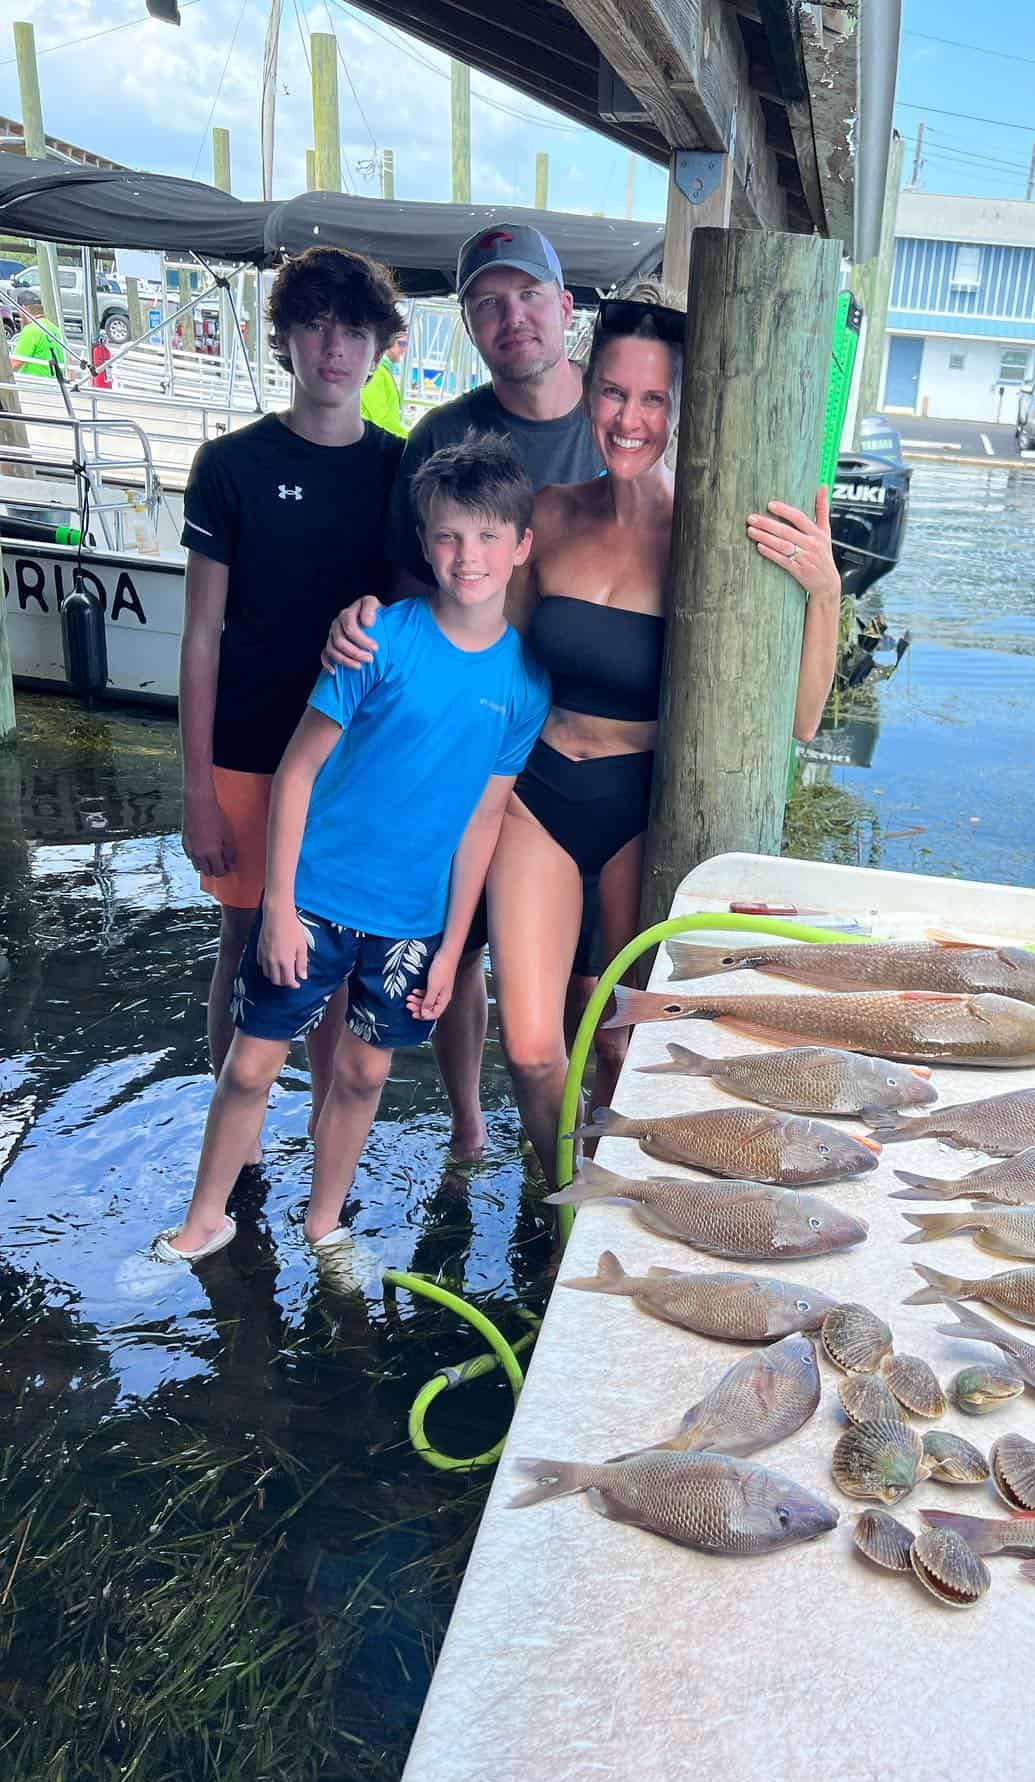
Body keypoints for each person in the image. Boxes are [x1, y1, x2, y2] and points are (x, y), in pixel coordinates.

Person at [155, 432, 550, 1264]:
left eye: (486, 537)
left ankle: (323, 1219)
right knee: (253, 1067)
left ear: (521, 546)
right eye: (447, 535)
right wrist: (280, 906)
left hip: (411, 920)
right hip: (319, 898)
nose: (466, 555)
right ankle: (205, 1218)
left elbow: (484, 821)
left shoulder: (523, 685)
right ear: (423, 542)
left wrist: (450, 950)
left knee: (366, 1076)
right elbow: (297, 773)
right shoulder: (379, 641)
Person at [486, 292, 840, 1187]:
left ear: (679, 410)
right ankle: (568, 1196)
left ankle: (613, 1203)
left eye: (651, 400)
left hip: (641, 804)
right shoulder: (549, 513)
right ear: (587, 391)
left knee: (619, 1046)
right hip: (539, 793)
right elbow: (495, 662)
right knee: (530, 1050)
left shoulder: (708, 541)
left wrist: (825, 594)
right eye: (613, 393)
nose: (629, 419)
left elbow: (797, 722)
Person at [331, 222, 613, 1160]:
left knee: (589, 978)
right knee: (461, 936)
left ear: (565, 309)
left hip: (588, 735)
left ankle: (595, 1145)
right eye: (488, 303)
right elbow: (410, 596)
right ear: (467, 324)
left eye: (529, 295)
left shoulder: (618, 424)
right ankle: (466, 1121)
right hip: (475, 730)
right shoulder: (443, 436)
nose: (512, 317)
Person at [179, 247, 405, 1163]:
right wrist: (195, 789)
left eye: (354, 330)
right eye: (314, 324)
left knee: (336, 951)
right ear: (284, 340)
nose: (334, 348)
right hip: (243, 747)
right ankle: (237, 1126)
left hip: (352, 763)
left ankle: (320, 1127)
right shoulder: (229, 465)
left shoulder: (400, 470)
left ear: (382, 347)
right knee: (243, 935)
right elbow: (200, 634)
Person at [361, 325, 408, 437]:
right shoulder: (376, 373)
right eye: (401, 344)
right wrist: (409, 439)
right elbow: (380, 420)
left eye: (406, 345)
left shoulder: (382, 371)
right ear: (387, 344)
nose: (404, 349)